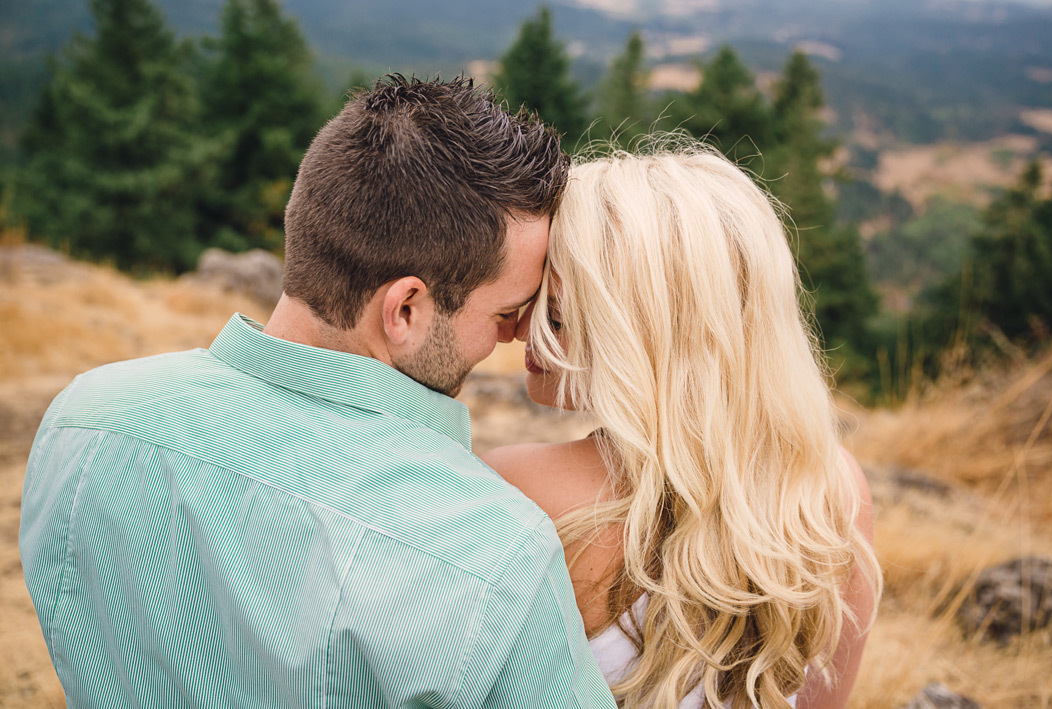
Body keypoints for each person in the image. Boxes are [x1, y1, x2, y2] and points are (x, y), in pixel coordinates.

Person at [20, 76, 616, 708]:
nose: (521, 335)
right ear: (405, 310)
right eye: (506, 313)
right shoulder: (497, 555)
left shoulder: (86, 420)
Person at [484, 141, 882, 709]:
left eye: (557, 314)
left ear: (650, 331)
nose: (522, 330)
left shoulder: (516, 488)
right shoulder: (831, 487)